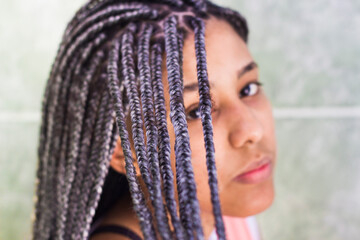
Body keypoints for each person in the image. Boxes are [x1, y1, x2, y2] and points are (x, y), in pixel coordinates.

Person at [31, 0, 277, 239]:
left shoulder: (225, 211)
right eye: (196, 112)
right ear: (123, 153)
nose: (251, 130)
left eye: (248, 89)